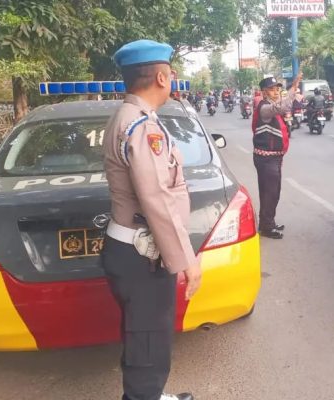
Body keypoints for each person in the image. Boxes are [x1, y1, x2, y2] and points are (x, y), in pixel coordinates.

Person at [101, 39, 201, 400]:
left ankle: (150, 396)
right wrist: (186, 260)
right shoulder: (142, 127)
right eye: (171, 73)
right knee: (148, 341)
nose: (173, 79)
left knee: (145, 335)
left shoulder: (132, 118)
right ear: (161, 77)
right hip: (142, 254)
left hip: (133, 249)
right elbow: (156, 198)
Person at [252, 73, 302, 239]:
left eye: (277, 89)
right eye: (271, 90)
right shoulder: (265, 108)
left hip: (274, 158)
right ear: (264, 92)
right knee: (270, 192)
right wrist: (293, 88)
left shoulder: (271, 105)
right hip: (266, 159)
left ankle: (268, 222)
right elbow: (283, 106)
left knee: (273, 192)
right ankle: (266, 226)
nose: (275, 92)